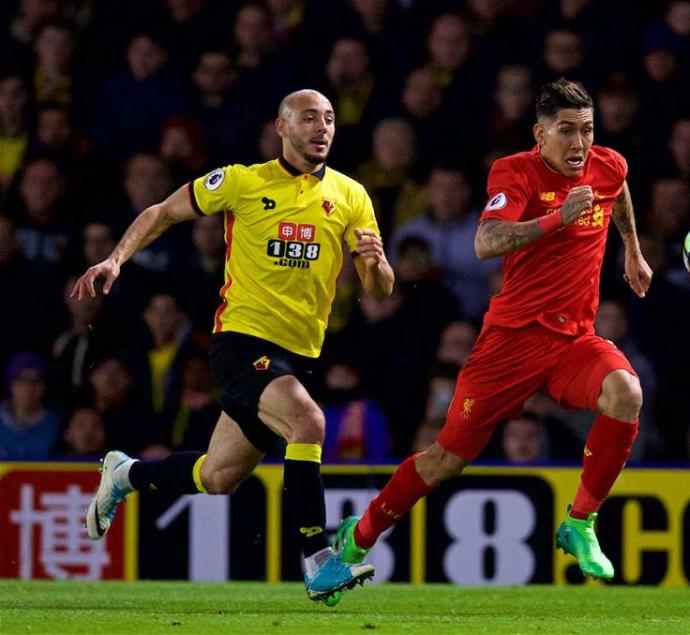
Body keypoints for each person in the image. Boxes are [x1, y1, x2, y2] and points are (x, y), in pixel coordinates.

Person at [72, 89, 393, 603]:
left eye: (330, 119)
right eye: (309, 118)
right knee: (308, 422)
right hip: (242, 342)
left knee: (218, 475)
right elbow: (163, 211)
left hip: (300, 356)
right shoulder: (243, 181)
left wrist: (375, 263)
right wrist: (116, 258)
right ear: (281, 127)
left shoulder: (352, 195)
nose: (322, 128)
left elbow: (379, 291)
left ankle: (126, 474)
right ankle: (318, 560)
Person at [332, 79, 652, 585]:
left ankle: (580, 521)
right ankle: (359, 535)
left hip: (573, 341)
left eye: (587, 130)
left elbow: (618, 190)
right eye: (566, 130)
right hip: (510, 344)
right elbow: (486, 241)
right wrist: (557, 219)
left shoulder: (607, 165)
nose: (579, 143)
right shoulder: (515, 172)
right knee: (445, 460)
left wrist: (632, 249)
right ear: (540, 135)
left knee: (626, 392)